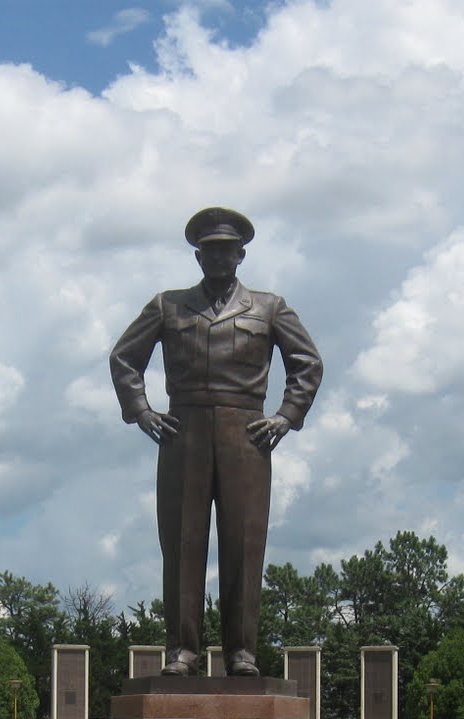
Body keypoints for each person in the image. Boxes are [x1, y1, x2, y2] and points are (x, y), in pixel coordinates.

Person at [111, 207, 323, 677]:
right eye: (210, 250)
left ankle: (242, 652)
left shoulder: (269, 308)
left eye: (227, 250)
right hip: (182, 431)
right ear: (198, 256)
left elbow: (308, 363)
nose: (219, 257)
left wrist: (287, 416)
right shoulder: (168, 306)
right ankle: (182, 650)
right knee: (183, 543)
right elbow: (125, 357)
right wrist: (141, 410)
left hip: (246, 435)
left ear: (241, 255)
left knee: (244, 544)